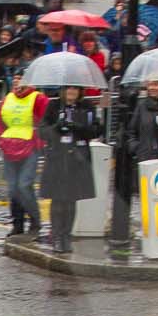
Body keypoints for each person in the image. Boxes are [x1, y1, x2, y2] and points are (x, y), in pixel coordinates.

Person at [37, 83, 100, 254]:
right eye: (68, 88)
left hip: (77, 160)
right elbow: (42, 131)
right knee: (57, 200)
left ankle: (66, 237)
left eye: (75, 88)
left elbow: (96, 130)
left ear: (80, 91)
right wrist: (57, 127)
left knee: (72, 200)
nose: (71, 91)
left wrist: (76, 127)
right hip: (57, 158)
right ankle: (57, 237)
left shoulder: (87, 107)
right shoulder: (54, 106)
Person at [0, 76, 48, 239]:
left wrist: (40, 138)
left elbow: (46, 119)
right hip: (9, 146)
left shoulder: (39, 98)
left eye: (21, 83)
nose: (18, 86)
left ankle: (35, 221)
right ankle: (17, 225)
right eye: (15, 83)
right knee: (13, 188)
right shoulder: (7, 99)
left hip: (30, 146)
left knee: (24, 185)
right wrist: (2, 140)